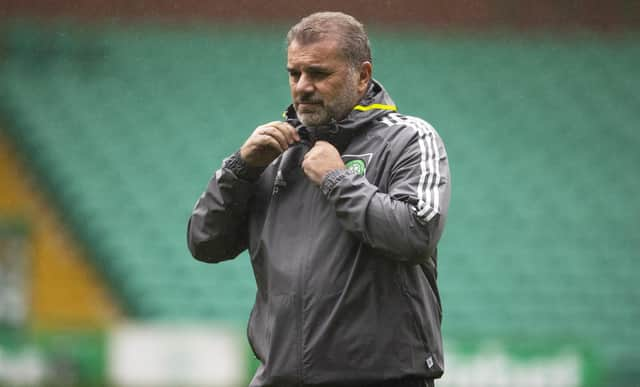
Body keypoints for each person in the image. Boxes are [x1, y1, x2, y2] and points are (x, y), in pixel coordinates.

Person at [187, 11, 450, 387]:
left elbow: (415, 233)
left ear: (362, 76)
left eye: (319, 74)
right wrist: (239, 170)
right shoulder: (273, 153)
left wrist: (335, 179)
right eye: (294, 74)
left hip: (383, 378)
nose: (302, 87)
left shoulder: (408, 139)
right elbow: (204, 242)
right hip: (280, 377)